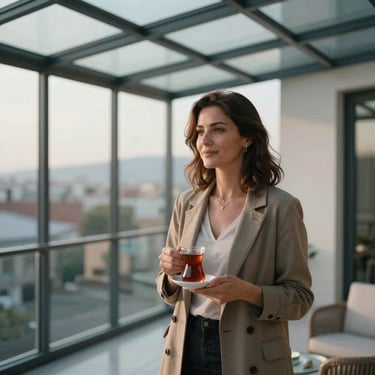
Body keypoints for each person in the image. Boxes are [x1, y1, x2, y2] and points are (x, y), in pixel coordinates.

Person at [156, 90, 314, 375]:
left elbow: (300, 299)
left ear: (247, 138)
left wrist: (247, 292)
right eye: (200, 131)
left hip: (248, 350)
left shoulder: (281, 208)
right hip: (186, 343)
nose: (204, 141)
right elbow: (170, 292)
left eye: (218, 130)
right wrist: (169, 272)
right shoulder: (186, 203)